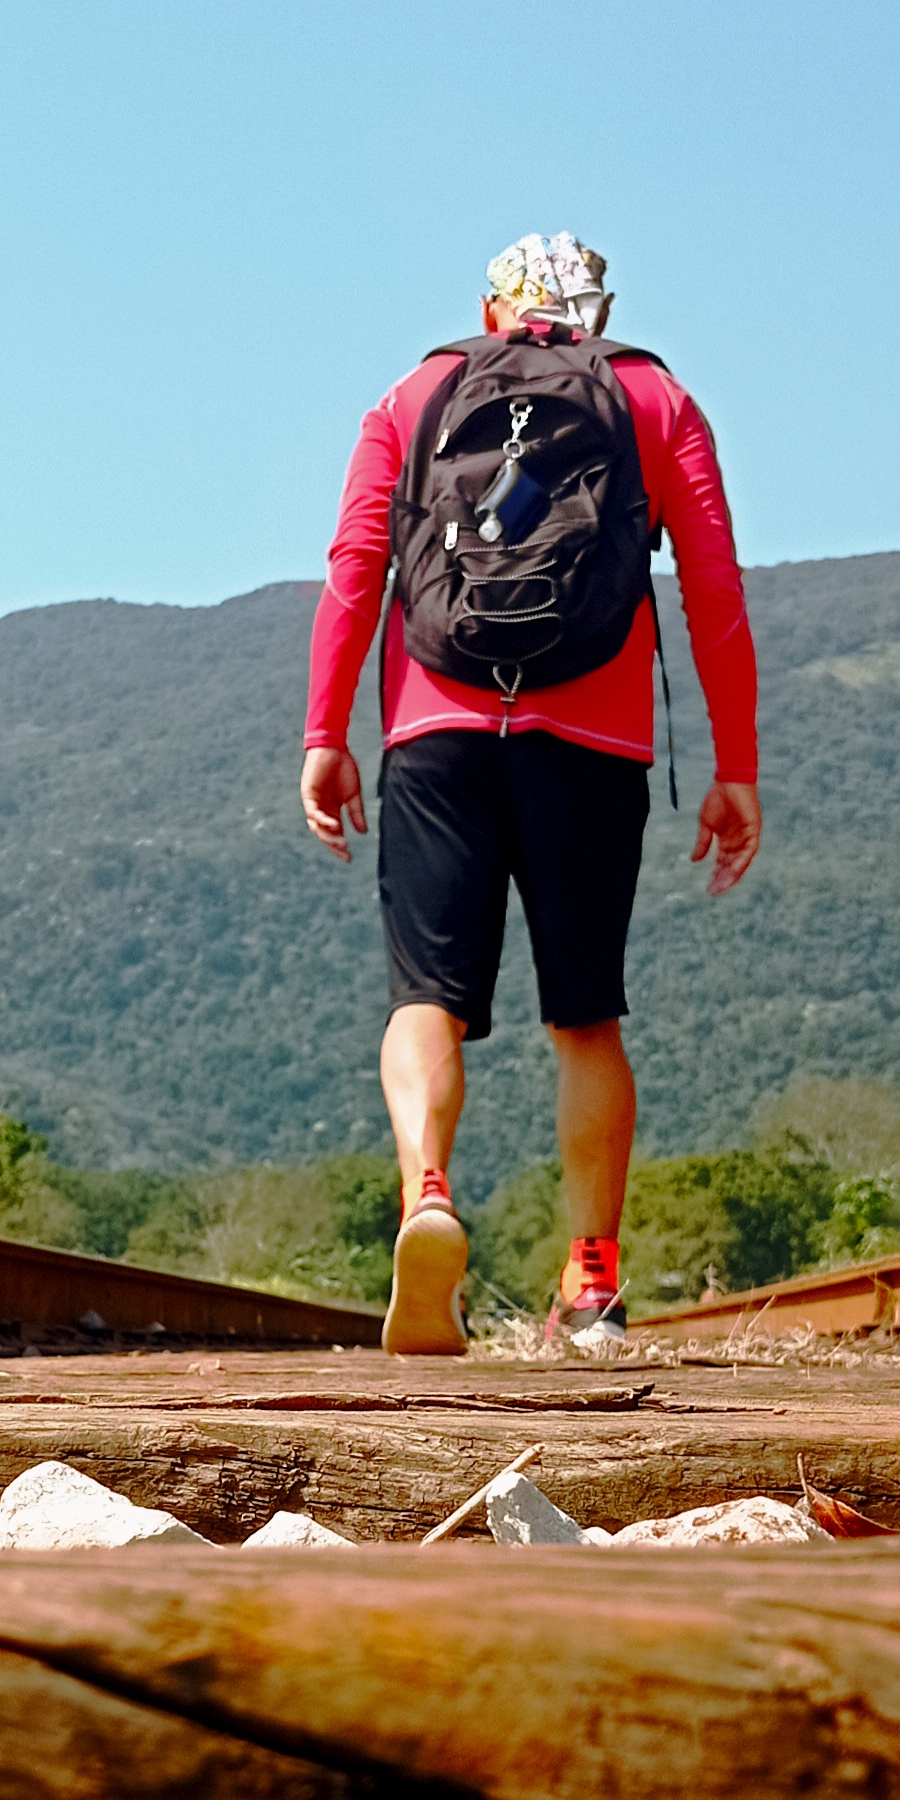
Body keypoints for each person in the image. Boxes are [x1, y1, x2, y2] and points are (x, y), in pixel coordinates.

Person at [300, 231, 762, 1355]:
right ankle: (592, 1279)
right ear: (600, 313)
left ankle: (427, 1192)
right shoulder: (655, 400)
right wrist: (735, 766)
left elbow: (356, 568)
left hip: (436, 728)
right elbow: (712, 586)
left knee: (426, 998)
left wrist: (324, 733)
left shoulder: (413, 395)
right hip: (593, 739)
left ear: (489, 310)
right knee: (586, 1017)